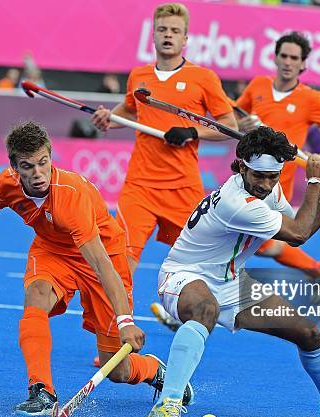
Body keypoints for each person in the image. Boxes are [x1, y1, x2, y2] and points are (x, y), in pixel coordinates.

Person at [0, 121, 192, 416]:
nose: (38, 173)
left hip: (103, 254)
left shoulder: (70, 197)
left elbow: (101, 265)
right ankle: (41, 390)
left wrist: (125, 322)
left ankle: (155, 371)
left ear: (51, 158)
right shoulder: (9, 183)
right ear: (15, 168)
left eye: (43, 163)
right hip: (53, 250)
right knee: (36, 296)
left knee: (118, 371)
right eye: (28, 166)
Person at [145, 127, 320, 417]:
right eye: (259, 175)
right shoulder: (237, 203)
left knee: (307, 333)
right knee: (205, 310)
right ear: (242, 166)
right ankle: (167, 405)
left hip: (231, 281)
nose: (266, 184)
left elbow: (299, 230)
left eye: (273, 177)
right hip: (184, 275)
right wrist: (313, 180)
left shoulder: (269, 190)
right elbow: (297, 233)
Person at [91, 3, 236, 277]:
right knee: (121, 259)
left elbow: (229, 126)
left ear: (185, 39)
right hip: (139, 186)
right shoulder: (138, 75)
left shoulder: (203, 78)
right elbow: (130, 109)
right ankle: (116, 319)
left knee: (198, 266)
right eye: (162, 29)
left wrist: (193, 132)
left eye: (175, 30)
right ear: (153, 35)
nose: (168, 35)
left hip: (182, 187)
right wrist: (108, 118)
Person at [236, 32, 320, 287]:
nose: (288, 62)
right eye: (284, 56)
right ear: (275, 58)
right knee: (249, 239)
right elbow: (234, 116)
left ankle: (318, 270)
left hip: (274, 186)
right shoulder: (257, 86)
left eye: (294, 58)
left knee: (258, 243)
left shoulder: (311, 98)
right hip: (247, 176)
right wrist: (243, 124)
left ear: (303, 64)